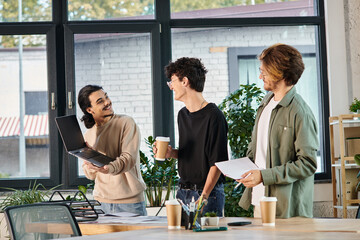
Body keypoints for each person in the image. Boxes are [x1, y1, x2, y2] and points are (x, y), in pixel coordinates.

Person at [237, 44, 318, 218]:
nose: (260, 76)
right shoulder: (265, 104)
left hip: (287, 210)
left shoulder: (300, 112)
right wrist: (242, 168)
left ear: (278, 73)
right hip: (260, 201)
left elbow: (308, 163)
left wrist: (264, 176)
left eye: (264, 72)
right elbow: (258, 149)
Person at [154, 57, 229, 216]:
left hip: (207, 194)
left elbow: (218, 162)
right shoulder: (182, 115)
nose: (170, 86)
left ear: (185, 81)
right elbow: (190, 154)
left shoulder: (214, 116)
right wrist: (171, 153)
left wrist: (204, 196)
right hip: (183, 193)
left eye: (172, 81)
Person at [78, 85, 147, 216]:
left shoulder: (126, 123)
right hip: (101, 202)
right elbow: (90, 175)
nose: (107, 102)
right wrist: (90, 158)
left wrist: (108, 167)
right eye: (100, 101)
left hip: (130, 203)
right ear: (89, 109)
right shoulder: (89, 134)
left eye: (106, 97)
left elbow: (128, 159)